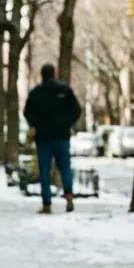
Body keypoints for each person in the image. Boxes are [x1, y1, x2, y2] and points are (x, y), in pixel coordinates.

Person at [23, 63, 82, 214]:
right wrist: (67, 123)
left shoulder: (37, 92)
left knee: (44, 171)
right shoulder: (65, 90)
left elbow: (27, 112)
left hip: (44, 138)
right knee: (65, 168)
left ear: (42, 75)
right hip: (62, 136)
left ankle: (47, 204)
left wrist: (36, 124)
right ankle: (68, 196)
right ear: (54, 73)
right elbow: (76, 110)